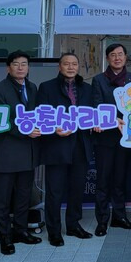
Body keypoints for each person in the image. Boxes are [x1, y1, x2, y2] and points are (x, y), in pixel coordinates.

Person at [36, 53, 94, 246]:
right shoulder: (46, 87)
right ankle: (54, 231)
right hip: (57, 145)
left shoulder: (87, 88)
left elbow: (94, 114)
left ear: (79, 67)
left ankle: (73, 225)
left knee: (77, 189)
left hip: (81, 145)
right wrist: (54, 130)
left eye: (74, 64)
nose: (71, 67)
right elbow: (40, 116)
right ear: (59, 67)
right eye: (66, 64)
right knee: (55, 191)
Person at [0, 51, 41, 254]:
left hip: (28, 151)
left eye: (24, 64)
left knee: (24, 194)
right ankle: (4, 235)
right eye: (16, 64)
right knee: (3, 196)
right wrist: (27, 131)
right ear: (8, 68)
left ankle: (20, 230)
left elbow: (36, 113)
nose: (21, 68)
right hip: (7, 150)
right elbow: (0, 121)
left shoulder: (32, 87)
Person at [92, 44, 131, 237]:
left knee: (120, 180)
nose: (117, 58)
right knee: (103, 181)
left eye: (120, 54)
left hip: (126, 138)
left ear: (126, 57)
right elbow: (96, 106)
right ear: (107, 58)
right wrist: (113, 120)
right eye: (113, 55)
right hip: (105, 138)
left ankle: (119, 217)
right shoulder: (98, 80)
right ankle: (102, 220)